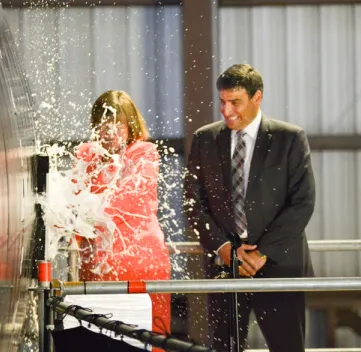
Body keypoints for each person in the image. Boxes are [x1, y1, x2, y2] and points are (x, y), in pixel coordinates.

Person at [183, 64, 316, 352]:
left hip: (279, 265)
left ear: (257, 97)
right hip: (224, 267)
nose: (226, 111)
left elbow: (302, 202)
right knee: (225, 348)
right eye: (222, 102)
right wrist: (223, 248)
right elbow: (193, 202)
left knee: (287, 348)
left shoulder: (289, 138)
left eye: (235, 102)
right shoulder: (205, 139)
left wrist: (261, 253)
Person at [73, 90, 171, 340]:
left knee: (146, 339)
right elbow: (71, 202)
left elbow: (127, 200)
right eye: (102, 124)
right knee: (96, 340)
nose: (109, 131)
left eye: (117, 124)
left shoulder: (144, 153)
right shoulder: (86, 155)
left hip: (139, 263)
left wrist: (83, 212)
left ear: (131, 124)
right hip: (95, 266)